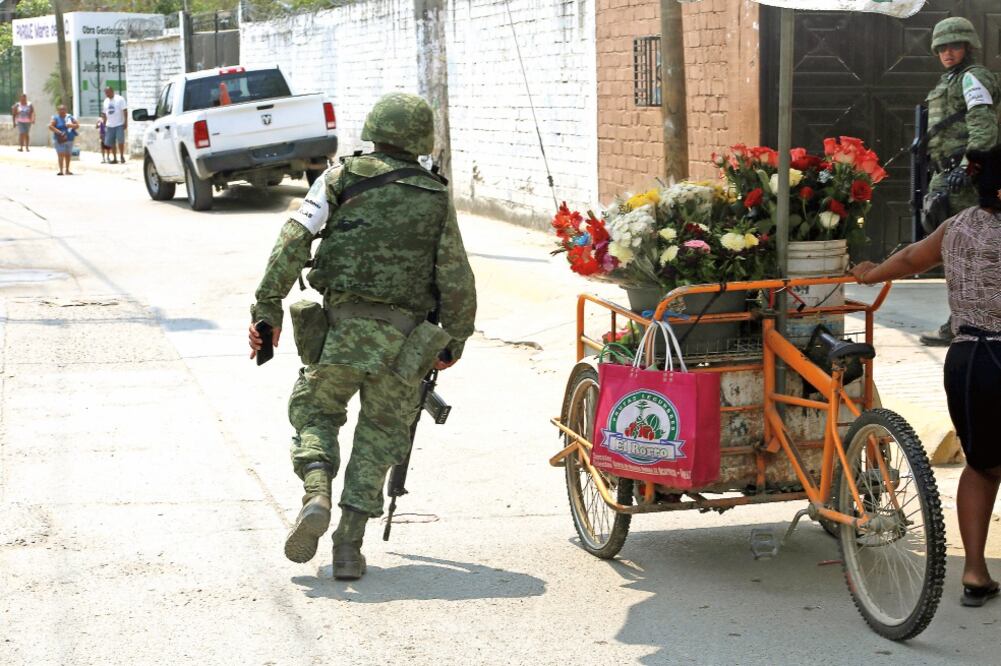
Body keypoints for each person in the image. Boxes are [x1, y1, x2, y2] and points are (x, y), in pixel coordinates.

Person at [247, 92, 476, 579]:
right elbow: (456, 277)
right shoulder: (435, 196)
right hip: (403, 344)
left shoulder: (338, 178)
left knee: (316, 410)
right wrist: (452, 341)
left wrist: (267, 308)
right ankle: (348, 546)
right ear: (421, 140)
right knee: (379, 437)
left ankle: (316, 491)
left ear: (373, 127)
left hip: (341, 333)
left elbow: (292, 240)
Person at [852, 144, 1001, 608]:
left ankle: (974, 571)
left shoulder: (956, 227)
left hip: (969, 361)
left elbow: (913, 259)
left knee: (981, 466)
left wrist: (870, 273)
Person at [918, 17, 999, 346]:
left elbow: (984, 127)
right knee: (952, 252)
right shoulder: (947, 81)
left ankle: (965, 325)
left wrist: (968, 166)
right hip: (946, 177)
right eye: (942, 47)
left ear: (967, 47)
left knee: (968, 253)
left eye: (955, 45)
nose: (948, 52)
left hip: (964, 179)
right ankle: (959, 322)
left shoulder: (972, 78)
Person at [48, 105, 79, 176]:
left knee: (68, 155)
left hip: (69, 138)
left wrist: (71, 126)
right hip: (59, 139)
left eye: (64, 109)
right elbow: (51, 126)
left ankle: (67, 170)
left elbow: (77, 125)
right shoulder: (56, 118)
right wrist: (59, 132)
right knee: (60, 154)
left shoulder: (69, 117)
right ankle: (61, 170)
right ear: (58, 111)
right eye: (61, 110)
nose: (62, 111)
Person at [101, 86, 128, 164]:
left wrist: (125, 122)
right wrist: (104, 125)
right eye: (105, 93)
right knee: (112, 142)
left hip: (119, 124)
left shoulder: (120, 99)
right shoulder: (106, 101)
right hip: (109, 125)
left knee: (120, 141)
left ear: (112, 91)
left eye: (108, 92)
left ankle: (122, 156)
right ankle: (115, 158)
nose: (107, 94)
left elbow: (125, 111)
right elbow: (104, 114)